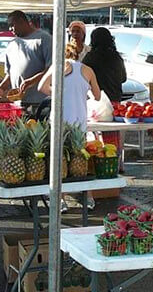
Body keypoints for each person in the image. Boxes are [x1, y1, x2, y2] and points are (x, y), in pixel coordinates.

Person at [39, 41, 101, 211]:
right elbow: (97, 95)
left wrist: (58, 92)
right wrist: (82, 91)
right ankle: (88, 198)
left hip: (59, 121)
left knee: (59, 160)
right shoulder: (88, 70)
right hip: (79, 121)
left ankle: (59, 200)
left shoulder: (57, 67)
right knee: (81, 158)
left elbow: (41, 87)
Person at [0, 10, 53, 114]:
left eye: (12, 25)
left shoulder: (44, 39)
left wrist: (31, 81)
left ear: (22, 21)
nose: (10, 29)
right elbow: (10, 73)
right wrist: (1, 88)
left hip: (40, 103)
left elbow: (52, 69)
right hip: (18, 103)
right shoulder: (12, 44)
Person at [82, 27, 127, 103]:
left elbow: (82, 77)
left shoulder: (90, 57)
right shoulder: (116, 57)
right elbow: (123, 78)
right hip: (115, 99)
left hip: (97, 99)